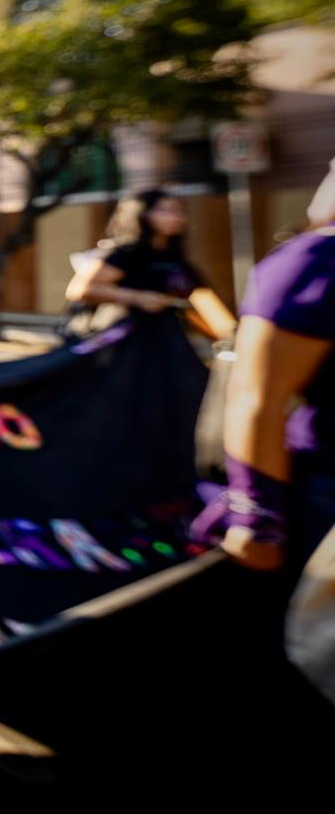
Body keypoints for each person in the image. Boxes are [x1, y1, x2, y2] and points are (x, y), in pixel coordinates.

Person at [198, 160, 335, 573]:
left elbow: (256, 397)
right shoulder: (316, 261)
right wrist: (256, 519)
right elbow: (256, 398)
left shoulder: (317, 259)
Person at [65, 189, 238, 339]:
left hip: (166, 341)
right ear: (142, 213)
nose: (176, 217)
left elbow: (203, 298)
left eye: (178, 211)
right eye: (165, 210)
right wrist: (137, 298)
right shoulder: (124, 253)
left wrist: (228, 332)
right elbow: (80, 290)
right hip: (123, 342)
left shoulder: (174, 258)